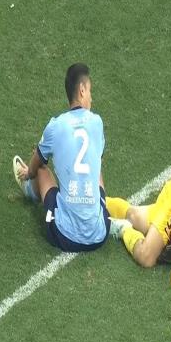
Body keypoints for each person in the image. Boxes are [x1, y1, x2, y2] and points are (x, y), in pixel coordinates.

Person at [13, 63, 110, 252]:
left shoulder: (55, 126)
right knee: (96, 167)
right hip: (100, 234)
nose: (91, 97)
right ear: (82, 90)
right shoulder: (97, 122)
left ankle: (29, 190)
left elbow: (36, 163)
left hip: (65, 236)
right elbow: (97, 161)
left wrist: (29, 172)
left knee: (41, 170)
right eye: (90, 91)